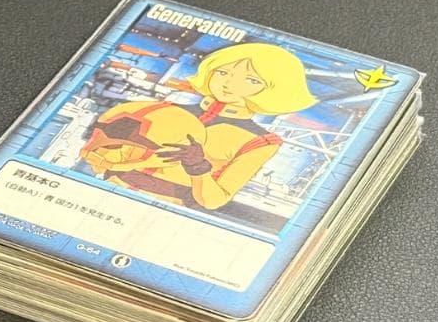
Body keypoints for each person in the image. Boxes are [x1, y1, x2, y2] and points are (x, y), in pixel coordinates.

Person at [82, 42, 316, 210]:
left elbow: (213, 201)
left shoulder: (259, 141)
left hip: (165, 212)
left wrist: (197, 167)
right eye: (223, 72)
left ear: (275, 90)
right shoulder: (158, 109)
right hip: (104, 194)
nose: (229, 83)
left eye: (251, 80)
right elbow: (94, 155)